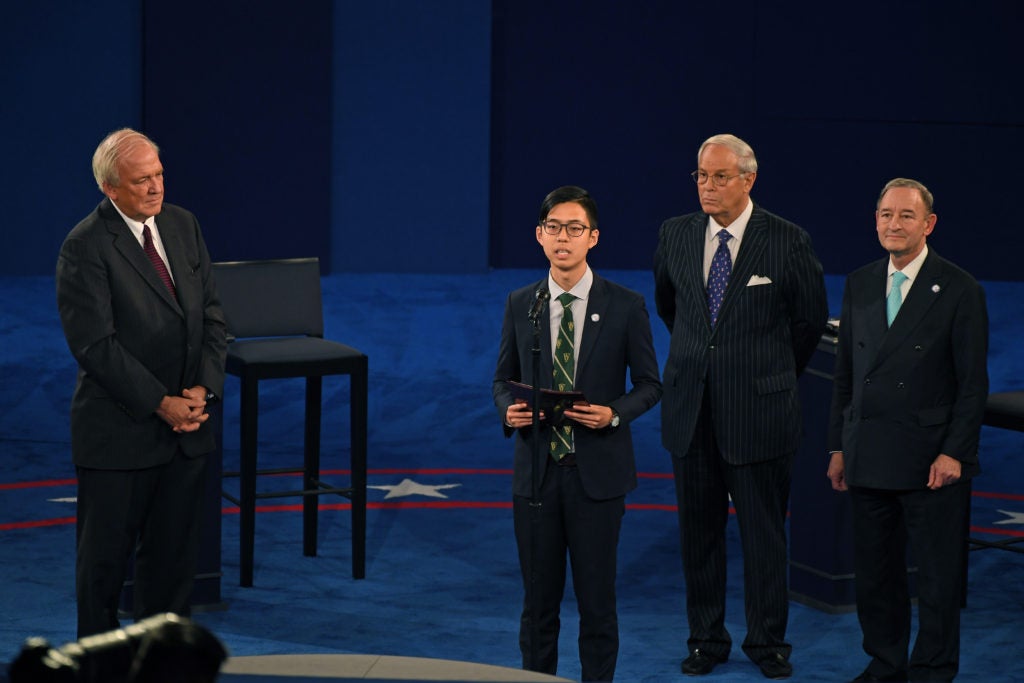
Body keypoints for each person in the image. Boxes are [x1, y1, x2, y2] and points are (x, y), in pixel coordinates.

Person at [653, 134, 828, 679]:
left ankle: (767, 641)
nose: (708, 186)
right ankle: (706, 639)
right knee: (698, 536)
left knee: (763, 535)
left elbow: (809, 322)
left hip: (760, 414)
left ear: (748, 180)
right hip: (692, 413)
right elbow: (672, 308)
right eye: (701, 176)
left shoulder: (787, 241)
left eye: (720, 177)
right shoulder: (675, 234)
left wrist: (765, 377)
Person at [55, 128, 227, 639]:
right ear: (111, 189)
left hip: (185, 433)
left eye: (158, 175)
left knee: (172, 570)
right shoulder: (85, 245)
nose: (155, 188)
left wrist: (202, 391)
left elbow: (213, 317)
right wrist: (160, 402)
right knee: (103, 572)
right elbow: (95, 345)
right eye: (141, 181)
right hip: (119, 434)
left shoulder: (182, 225)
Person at [493, 185, 662, 681]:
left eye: (574, 229)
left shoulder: (626, 305)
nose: (562, 238)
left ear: (594, 238)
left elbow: (651, 385)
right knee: (537, 609)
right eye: (553, 228)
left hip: (598, 479)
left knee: (597, 606)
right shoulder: (521, 303)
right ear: (539, 236)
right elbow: (503, 379)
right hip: (536, 478)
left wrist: (612, 414)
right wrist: (509, 413)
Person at [827, 178, 988, 683]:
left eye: (906, 216)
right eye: (885, 215)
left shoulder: (959, 288)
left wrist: (955, 453)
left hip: (930, 460)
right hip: (869, 451)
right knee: (877, 575)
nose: (893, 224)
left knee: (937, 578)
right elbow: (847, 378)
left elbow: (972, 382)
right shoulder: (860, 282)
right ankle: (886, 660)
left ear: (928, 224)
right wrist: (838, 445)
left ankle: (934, 668)